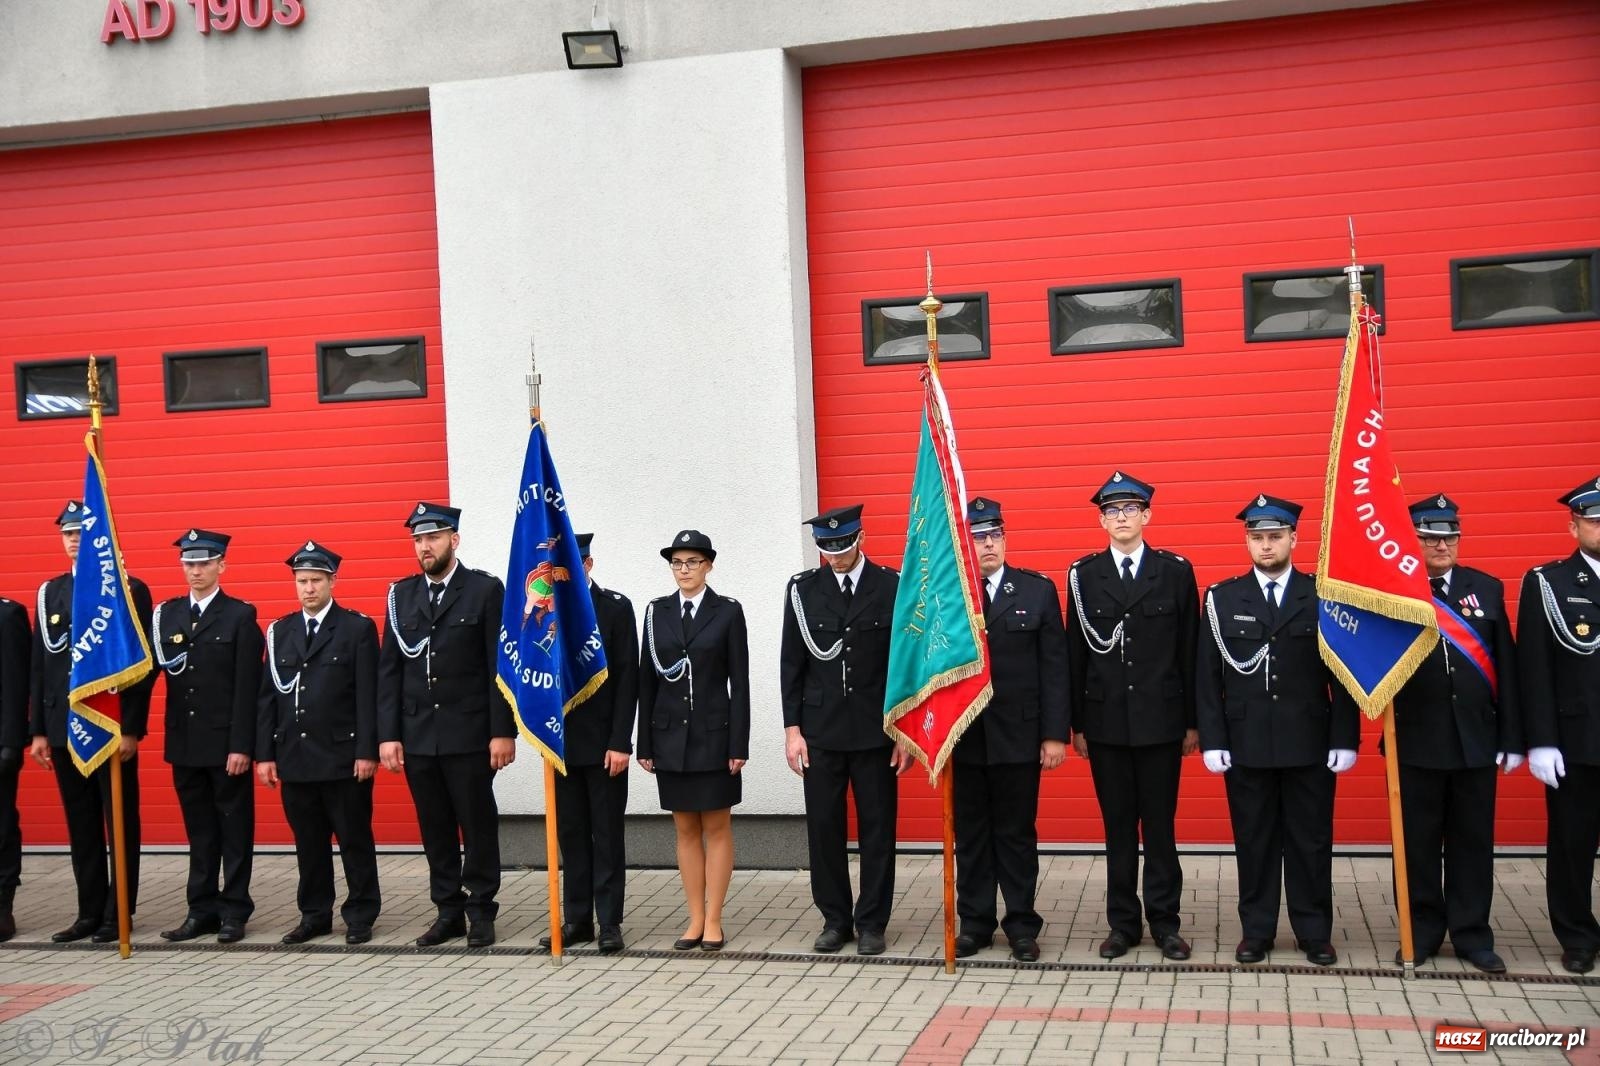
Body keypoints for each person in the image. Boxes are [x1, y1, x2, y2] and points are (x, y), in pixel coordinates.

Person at [1197, 494, 1360, 967]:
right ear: (1247, 542)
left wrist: (1344, 736)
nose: (1265, 546)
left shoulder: (1323, 594)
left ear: (1294, 538)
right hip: (1246, 742)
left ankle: (1314, 932)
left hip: (1309, 740)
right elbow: (1207, 677)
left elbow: (1344, 675)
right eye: (1257, 537)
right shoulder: (1222, 598)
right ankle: (1257, 931)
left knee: (1310, 841)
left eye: (1274, 537)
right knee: (1255, 840)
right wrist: (1214, 739)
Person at [1064, 471, 1198, 961]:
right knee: (1118, 828)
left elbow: (1190, 650)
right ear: (1101, 521)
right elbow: (1074, 654)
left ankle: (1165, 923)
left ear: (1147, 515)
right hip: (1105, 727)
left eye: (1129, 510)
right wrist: (1075, 725)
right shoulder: (1082, 575)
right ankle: (1122, 924)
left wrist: (1192, 722)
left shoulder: (1175, 572)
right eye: (1111, 511)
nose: (1120, 518)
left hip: (1161, 724)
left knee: (1160, 827)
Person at [1390, 494, 1521, 973]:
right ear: (1414, 540)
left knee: (1471, 842)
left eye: (1448, 536)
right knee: (1418, 845)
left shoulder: (1485, 589)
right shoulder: (1392, 590)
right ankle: (1422, 932)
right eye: (1429, 537)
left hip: (1474, 739)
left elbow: (1505, 665)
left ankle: (1471, 934)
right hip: (1415, 739)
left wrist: (1511, 736)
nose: (1440, 545)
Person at [378, 503, 515, 949]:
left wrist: (502, 730)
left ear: (453, 540)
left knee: (476, 825)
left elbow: (500, 667)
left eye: (433, 537)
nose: (424, 546)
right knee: (434, 826)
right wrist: (389, 734)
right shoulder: (401, 596)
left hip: (470, 733)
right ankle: (447, 912)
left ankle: (481, 911)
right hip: (419, 735)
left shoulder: (484, 590)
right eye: (418, 539)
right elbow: (390, 671)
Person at [779, 504, 910, 957]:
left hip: (876, 731)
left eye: (842, 546)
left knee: (878, 830)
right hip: (821, 732)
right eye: (826, 548)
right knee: (824, 829)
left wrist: (904, 730)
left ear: (861, 539)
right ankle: (835, 919)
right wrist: (792, 730)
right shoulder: (802, 590)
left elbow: (903, 664)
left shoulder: (891, 585)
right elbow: (791, 663)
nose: (834, 556)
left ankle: (872, 921)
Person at [29, 499, 155, 944]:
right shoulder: (50, 593)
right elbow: (41, 664)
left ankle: (119, 911)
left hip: (109, 725)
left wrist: (133, 728)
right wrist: (40, 729)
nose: (74, 540)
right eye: (68, 534)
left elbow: (142, 667)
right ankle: (88, 911)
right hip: (66, 726)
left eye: (82, 533)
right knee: (80, 823)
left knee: (119, 820)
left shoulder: (126, 589)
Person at [952, 497, 1069, 962]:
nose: (988, 545)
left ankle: (1021, 924)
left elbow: (1054, 669)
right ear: (966, 542)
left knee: (1017, 834)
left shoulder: (1036, 591)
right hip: (965, 738)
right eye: (978, 537)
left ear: (1006, 538)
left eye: (994, 535)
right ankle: (975, 923)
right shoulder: (950, 596)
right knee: (972, 835)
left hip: (1019, 737)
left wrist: (1054, 733)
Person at [256, 541, 381, 946]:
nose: (308, 588)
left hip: (344, 757)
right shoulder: (280, 631)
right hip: (295, 755)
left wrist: (367, 751)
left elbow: (368, 695)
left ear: (332, 581)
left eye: (315, 580)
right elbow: (267, 697)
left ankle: (360, 914)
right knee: (308, 843)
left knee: (353, 838)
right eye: (301, 581)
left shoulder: (356, 628)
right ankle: (314, 914)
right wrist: (265, 754)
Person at [637, 530, 749, 952]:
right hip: (670, 738)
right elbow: (646, 681)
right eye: (677, 563)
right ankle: (694, 918)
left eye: (692, 562)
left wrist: (739, 743)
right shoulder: (655, 612)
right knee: (685, 828)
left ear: (709, 566)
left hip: (714, 736)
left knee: (717, 827)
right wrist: (644, 742)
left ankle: (715, 919)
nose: (684, 570)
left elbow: (740, 681)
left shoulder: (727, 612)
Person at [154, 529, 265, 945]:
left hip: (224, 746)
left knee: (234, 830)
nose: (196, 570)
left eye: (203, 563)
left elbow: (246, 688)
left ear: (222, 565)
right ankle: (200, 910)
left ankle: (234, 910)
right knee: (199, 832)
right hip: (185, 743)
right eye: (189, 563)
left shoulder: (239, 616)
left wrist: (242, 745)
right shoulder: (166, 615)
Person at [540, 533, 638, 955]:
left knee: (606, 834)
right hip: (560, 747)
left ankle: (609, 921)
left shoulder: (614, 608)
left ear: (588, 565)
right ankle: (577, 919)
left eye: (573, 566)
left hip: (603, 746)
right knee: (572, 835)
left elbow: (627, 680)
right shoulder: (543, 614)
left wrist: (620, 741)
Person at [1518, 475, 1600, 975]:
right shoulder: (1549, 583)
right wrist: (1541, 741)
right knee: (1572, 847)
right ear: (1574, 526)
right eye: (1593, 520)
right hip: (1578, 740)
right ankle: (1577, 935)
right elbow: (1535, 667)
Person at [0, 593, 28, 941]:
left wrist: (11, 742)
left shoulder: (7, 616)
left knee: (2, 826)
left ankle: (3, 904)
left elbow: (17, 684)